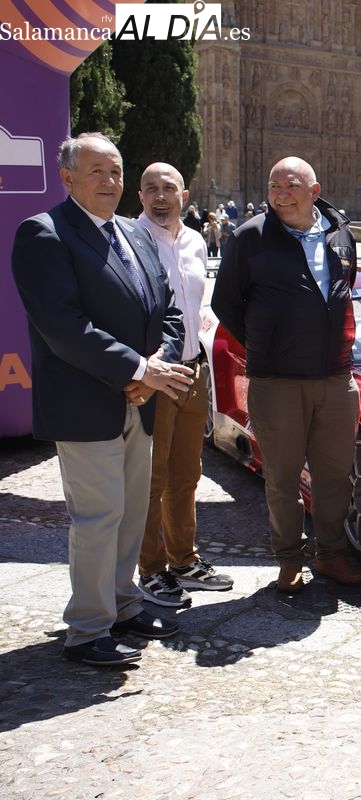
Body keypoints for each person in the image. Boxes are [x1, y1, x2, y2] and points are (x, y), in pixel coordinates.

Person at [10, 132, 194, 666]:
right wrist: (138, 369)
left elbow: (169, 309)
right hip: (85, 402)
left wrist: (151, 368)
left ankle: (121, 602)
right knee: (98, 516)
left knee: (133, 509)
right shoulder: (44, 235)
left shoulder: (136, 237)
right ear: (67, 178)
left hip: (142, 399)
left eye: (115, 172)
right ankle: (87, 629)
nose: (110, 182)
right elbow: (63, 327)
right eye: (96, 172)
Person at [210, 156, 361, 594]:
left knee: (335, 474)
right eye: (274, 185)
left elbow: (345, 289)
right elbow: (226, 304)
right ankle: (290, 559)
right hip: (276, 380)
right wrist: (266, 344)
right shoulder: (249, 237)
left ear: (314, 191)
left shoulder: (340, 233)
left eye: (290, 185)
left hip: (336, 377)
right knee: (281, 475)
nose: (280, 193)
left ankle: (332, 553)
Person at [134, 162, 235, 609]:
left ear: (185, 196)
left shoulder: (195, 241)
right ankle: (151, 570)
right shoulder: (128, 240)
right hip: (156, 376)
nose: (160, 196)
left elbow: (195, 303)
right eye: (151, 189)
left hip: (194, 371)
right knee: (151, 478)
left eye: (168, 188)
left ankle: (183, 561)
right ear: (140, 197)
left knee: (186, 475)